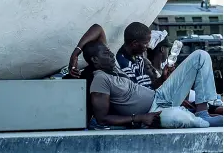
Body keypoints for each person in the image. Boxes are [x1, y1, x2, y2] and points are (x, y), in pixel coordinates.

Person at [85, 41, 223, 127]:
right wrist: (139, 118)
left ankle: (202, 113)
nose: (111, 55)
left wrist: (163, 79)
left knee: (200, 56)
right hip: (153, 113)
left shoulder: (113, 69)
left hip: (160, 96)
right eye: (106, 53)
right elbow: (102, 119)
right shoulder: (100, 79)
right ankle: (202, 122)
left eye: (110, 51)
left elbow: (98, 31)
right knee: (179, 118)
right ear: (95, 60)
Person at [116, 22, 173, 89]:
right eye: (145, 43)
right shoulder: (123, 64)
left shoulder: (138, 58)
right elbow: (137, 95)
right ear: (135, 43)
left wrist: (162, 78)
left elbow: (147, 88)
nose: (148, 46)